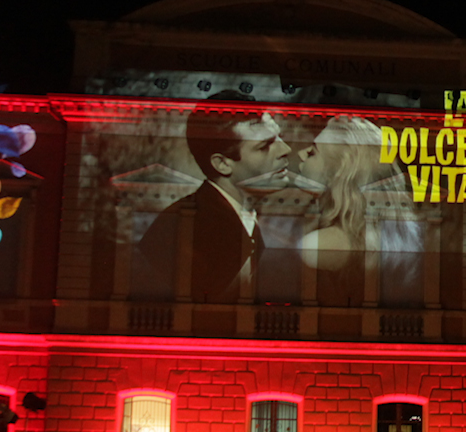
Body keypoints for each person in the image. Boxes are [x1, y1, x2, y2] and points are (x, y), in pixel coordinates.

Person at [139, 113, 291, 301]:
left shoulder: (246, 217)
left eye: (280, 138)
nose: (286, 149)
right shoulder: (182, 229)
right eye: (264, 146)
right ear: (222, 164)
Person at [292, 114, 422, 306]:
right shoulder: (404, 238)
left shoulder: (316, 245)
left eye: (313, 152)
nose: (301, 154)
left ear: (338, 174)